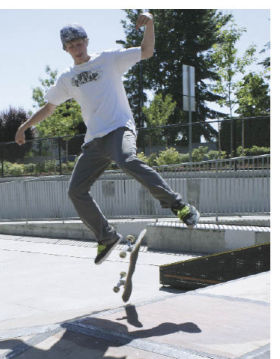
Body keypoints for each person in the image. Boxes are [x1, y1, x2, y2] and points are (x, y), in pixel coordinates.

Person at [15, 12, 200, 265]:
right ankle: (106, 236)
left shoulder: (109, 59)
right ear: (66, 50)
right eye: (71, 47)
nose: (77, 50)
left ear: (86, 42)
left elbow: (146, 51)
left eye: (79, 44)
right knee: (75, 191)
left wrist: (151, 23)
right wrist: (25, 126)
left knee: (126, 159)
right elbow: (49, 107)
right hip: (94, 141)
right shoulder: (67, 78)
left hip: (119, 129)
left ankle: (179, 206)